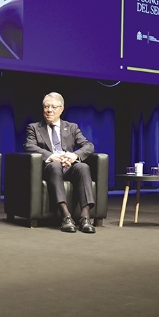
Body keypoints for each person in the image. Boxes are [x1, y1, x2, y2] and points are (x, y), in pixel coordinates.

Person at [24, 92, 97, 233]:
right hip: (49, 168)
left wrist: (74, 155)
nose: (49, 110)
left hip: (69, 167)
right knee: (55, 165)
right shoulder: (34, 127)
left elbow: (89, 145)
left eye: (53, 107)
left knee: (83, 167)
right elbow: (29, 145)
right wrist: (51, 156)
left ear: (61, 109)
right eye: (46, 107)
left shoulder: (71, 127)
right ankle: (66, 216)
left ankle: (85, 217)